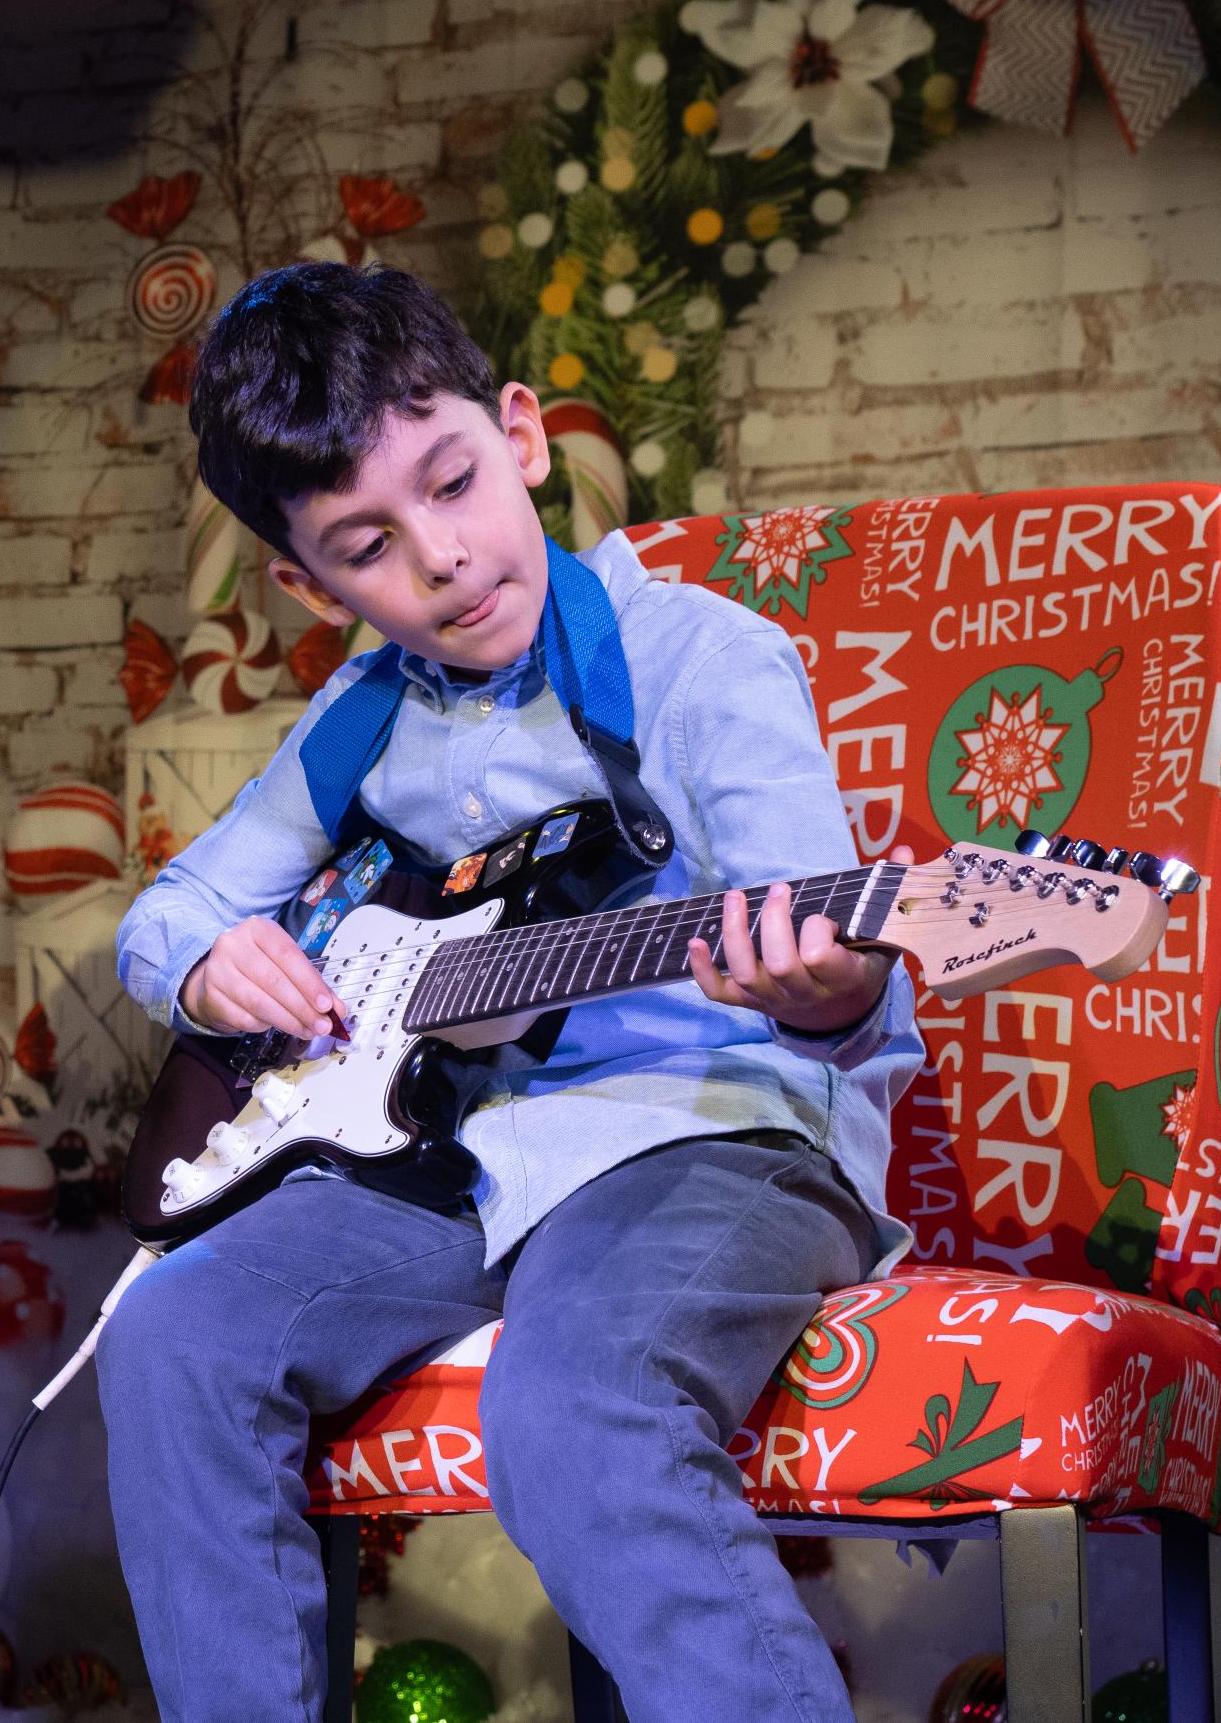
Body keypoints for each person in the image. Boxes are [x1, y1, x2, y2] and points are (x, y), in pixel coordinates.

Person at [102, 262, 926, 1722]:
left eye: (455, 483)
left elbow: (834, 969)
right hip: (449, 1164)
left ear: (523, 437)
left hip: (707, 1134)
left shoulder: (702, 660)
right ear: (308, 585)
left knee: (571, 1406)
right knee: (171, 1336)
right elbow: (169, 914)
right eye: (368, 541)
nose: (443, 557)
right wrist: (210, 968)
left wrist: (819, 982)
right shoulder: (353, 728)